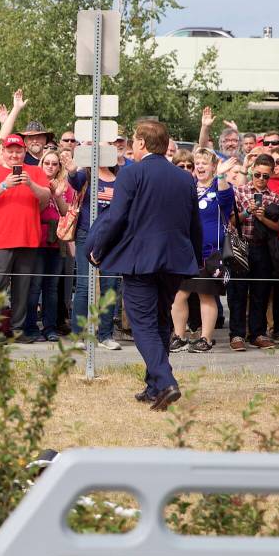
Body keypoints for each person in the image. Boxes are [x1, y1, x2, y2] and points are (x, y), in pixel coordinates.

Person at [88, 120, 201, 412]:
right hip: (175, 260)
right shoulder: (185, 178)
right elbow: (194, 224)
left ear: (141, 143)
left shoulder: (131, 173)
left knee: (143, 325)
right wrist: (196, 259)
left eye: (134, 141)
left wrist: (98, 250)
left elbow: (117, 218)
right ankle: (153, 386)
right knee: (161, 321)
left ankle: (165, 382)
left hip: (141, 260)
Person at [0, 134, 51, 341]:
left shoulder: (35, 172)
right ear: (3, 152)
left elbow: (45, 197)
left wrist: (30, 185)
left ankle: (17, 330)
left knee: (23, 288)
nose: (14, 155)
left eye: (18, 151)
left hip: (28, 239)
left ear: (24, 152)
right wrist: (4, 185)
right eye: (10, 151)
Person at [169, 150, 236, 353]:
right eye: (197, 162)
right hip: (187, 252)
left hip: (210, 253)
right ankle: (180, 337)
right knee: (178, 296)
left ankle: (205, 339)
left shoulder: (219, 186)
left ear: (213, 166)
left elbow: (226, 200)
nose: (199, 166)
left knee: (205, 295)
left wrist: (222, 176)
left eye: (204, 163)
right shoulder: (188, 187)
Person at [225, 154, 279, 351]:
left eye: (265, 176)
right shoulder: (239, 191)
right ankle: (237, 333)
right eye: (257, 174)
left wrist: (263, 217)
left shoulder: (274, 197)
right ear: (252, 172)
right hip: (241, 245)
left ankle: (257, 333)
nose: (260, 179)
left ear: (271, 175)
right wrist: (247, 212)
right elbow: (231, 221)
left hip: (262, 247)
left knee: (261, 292)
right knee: (237, 292)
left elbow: (277, 227)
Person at [63, 152, 119, 347]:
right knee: (84, 285)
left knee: (110, 286)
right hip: (86, 234)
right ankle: (78, 335)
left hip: (112, 239)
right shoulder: (85, 175)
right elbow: (75, 181)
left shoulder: (120, 179)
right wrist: (71, 170)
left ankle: (105, 336)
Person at [23, 149, 70, 342]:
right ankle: (30, 326)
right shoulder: (33, 181)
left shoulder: (63, 184)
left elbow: (65, 211)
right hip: (37, 238)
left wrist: (57, 195)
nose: (50, 166)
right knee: (34, 286)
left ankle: (49, 327)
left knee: (51, 287)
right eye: (47, 163)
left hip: (55, 240)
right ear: (41, 164)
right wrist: (46, 193)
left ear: (59, 167)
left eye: (54, 163)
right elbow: (33, 208)